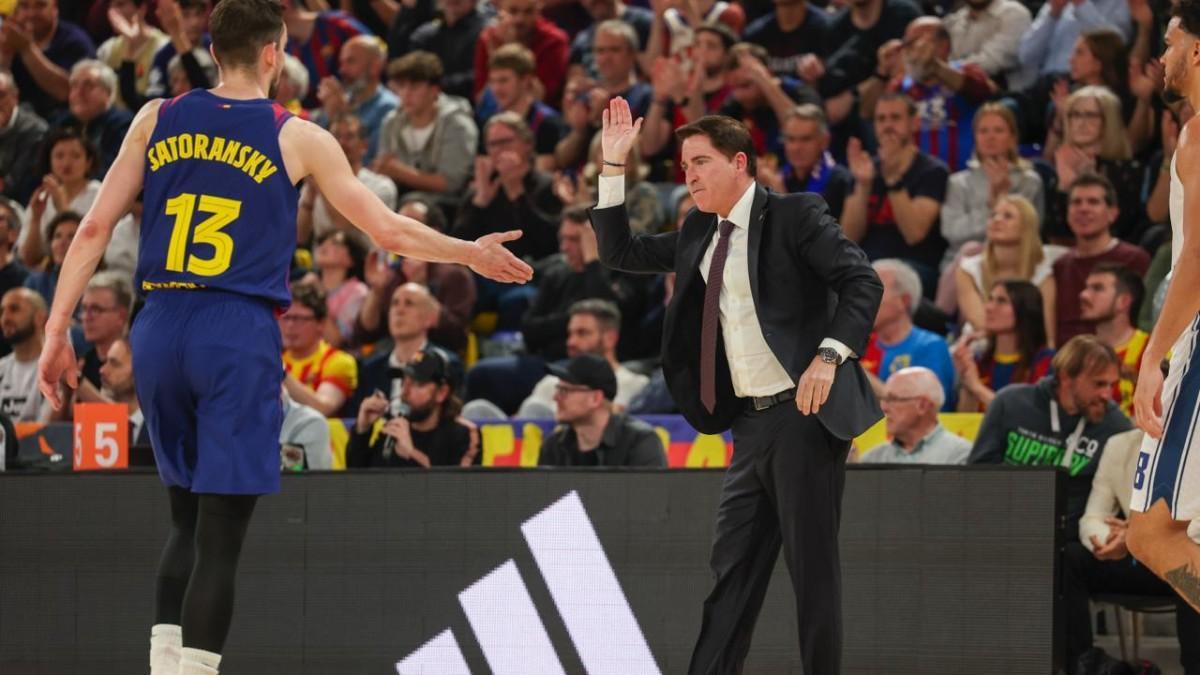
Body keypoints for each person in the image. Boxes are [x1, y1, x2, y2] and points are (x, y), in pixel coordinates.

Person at [34, 1, 531, 673]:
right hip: (233, 329)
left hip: (157, 324)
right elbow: (385, 229)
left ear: (212, 50)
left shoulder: (156, 117)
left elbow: (90, 231)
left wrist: (56, 328)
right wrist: (468, 252)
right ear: (273, 54)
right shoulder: (295, 134)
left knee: (183, 518)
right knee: (221, 531)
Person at [591, 99, 883, 673]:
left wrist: (829, 356)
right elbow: (618, 251)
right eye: (683, 166)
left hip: (805, 411)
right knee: (732, 572)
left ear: (740, 163)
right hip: (749, 425)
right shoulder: (700, 230)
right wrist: (613, 165)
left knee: (812, 574)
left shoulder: (796, 215)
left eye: (700, 162)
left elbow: (861, 281)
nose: (689, 175)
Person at [1129, 2, 1200, 617]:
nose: (1163, 54)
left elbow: (1199, 258)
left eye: (1172, 40)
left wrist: (1154, 357)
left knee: (1151, 532)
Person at [970, 335, 1130, 540]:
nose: (1107, 395)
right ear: (1065, 377)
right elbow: (977, 475)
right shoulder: (1010, 403)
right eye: (1098, 384)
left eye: (1111, 385)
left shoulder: (1115, 426)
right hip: (1002, 527)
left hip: (1068, 542)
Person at [1066, 427, 1200, 671]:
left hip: (1183, 555)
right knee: (1071, 558)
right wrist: (1112, 541)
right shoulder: (1119, 445)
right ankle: (1084, 662)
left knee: (1188, 573)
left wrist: (1142, 533)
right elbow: (1093, 518)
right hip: (1138, 557)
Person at [940, 104, 1045, 270]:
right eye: (983, 131)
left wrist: (1002, 198)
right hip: (962, 262)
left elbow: (1029, 232)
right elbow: (952, 232)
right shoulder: (958, 182)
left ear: (1012, 138)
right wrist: (991, 205)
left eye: (998, 130)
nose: (990, 137)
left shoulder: (1029, 181)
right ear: (975, 137)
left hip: (1015, 262)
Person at [1053, 172, 1151, 346]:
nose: (1083, 209)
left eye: (1093, 202)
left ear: (1112, 213)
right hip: (1064, 360)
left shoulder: (1135, 259)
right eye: (1076, 202)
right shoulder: (1060, 266)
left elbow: (1144, 320)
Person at [347, 344, 476, 468]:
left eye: (417, 384)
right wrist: (362, 431)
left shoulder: (463, 434)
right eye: (404, 382)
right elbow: (359, 481)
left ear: (442, 392)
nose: (404, 392)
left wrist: (410, 453)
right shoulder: (394, 430)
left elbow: (456, 487)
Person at [953, 195, 1060, 339]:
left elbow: (1048, 336)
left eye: (1008, 216)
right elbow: (983, 324)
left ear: (1026, 227)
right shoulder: (968, 270)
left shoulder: (1042, 274)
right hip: (980, 346)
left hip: (1028, 349)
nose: (997, 219)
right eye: (993, 215)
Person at [519, 298, 649, 415]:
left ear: (610, 338)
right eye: (570, 334)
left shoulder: (635, 385)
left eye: (582, 333)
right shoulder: (551, 382)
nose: (571, 342)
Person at [537, 353, 666, 467]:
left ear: (596, 398)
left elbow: (647, 493)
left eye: (565, 391)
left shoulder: (639, 442)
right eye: (558, 389)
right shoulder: (553, 447)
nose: (555, 397)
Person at [860, 259, 956, 408]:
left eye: (875, 290)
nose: (865, 300)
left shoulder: (930, 346)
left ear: (904, 301)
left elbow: (930, 409)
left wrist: (855, 371)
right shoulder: (857, 343)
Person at [954, 279, 1056, 411]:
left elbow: (1031, 417)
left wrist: (977, 388)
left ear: (1025, 309)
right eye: (990, 299)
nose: (988, 307)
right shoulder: (981, 362)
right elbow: (965, 419)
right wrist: (966, 378)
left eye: (1001, 301)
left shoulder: (1046, 361)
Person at [858, 366, 971, 464]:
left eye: (892, 399)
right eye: (883, 399)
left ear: (923, 405)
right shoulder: (872, 459)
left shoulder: (960, 456)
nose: (884, 407)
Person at [1079, 263, 1147, 418]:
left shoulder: (1152, 350)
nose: (1084, 295)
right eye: (1086, 288)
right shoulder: (1078, 351)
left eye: (1097, 288)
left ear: (1123, 301)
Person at [0, 70, 49, 204]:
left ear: (15, 97)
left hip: (19, 205)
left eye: (1, 95)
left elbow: (15, 184)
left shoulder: (35, 131)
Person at [0, 288, 48, 421]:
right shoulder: (2, 368)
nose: (5, 318)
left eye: (14, 309)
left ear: (40, 318)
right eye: (2, 312)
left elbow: (47, 429)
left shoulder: (54, 369)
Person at [99, 335, 150, 446]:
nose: (102, 370)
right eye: (106, 362)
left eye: (114, 364)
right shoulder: (99, 426)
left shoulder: (164, 428)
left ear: (140, 370)